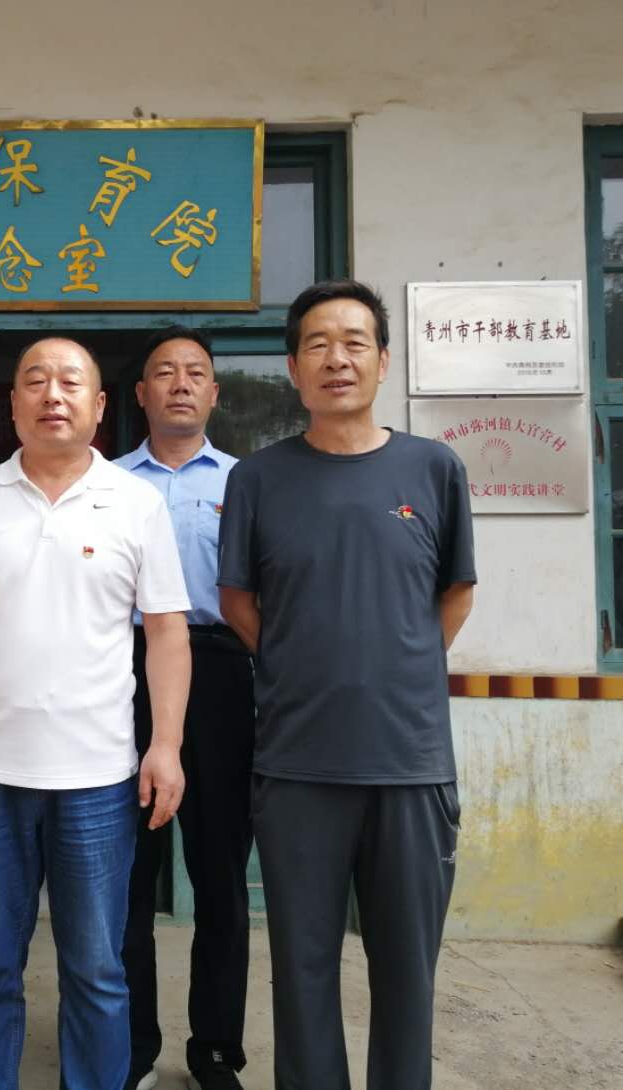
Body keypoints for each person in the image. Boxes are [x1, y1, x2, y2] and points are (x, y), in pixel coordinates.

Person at [0, 336, 192, 1090]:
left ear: (99, 406)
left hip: (98, 777)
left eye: (70, 382)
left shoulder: (136, 502)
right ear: (13, 404)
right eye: (36, 381)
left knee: (96, 965)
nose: (52, 395)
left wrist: (165, 745)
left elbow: (166, 632)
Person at [218, 280, 477, 1090]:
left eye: (354, 342)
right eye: (318, 345)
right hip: (297, 763)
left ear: (383, 361)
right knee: (301, 970)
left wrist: (395, 667)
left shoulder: (433, 469)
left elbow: (455, 592)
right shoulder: (259, 479)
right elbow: (238, 602)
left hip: (410, 763)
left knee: (407, 973)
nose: (337, 359)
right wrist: (307, 664)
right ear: (294, 369)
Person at [115, 327, 256, 1090]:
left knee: (220, 874)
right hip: (123, 675)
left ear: (213, 393)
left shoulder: (248, 482)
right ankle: (132, 1046)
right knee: (127, 878)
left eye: (195, 372)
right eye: (164, 373)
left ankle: (215, 1050)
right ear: (140, 394)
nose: (179, 383)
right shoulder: (106, 482)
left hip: (223, 675)